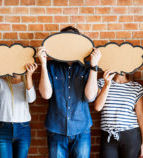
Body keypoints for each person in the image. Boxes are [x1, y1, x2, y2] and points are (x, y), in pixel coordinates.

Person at [37, 26, 101, 158]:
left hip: (81, 129)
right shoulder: (51, 66)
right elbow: (46, 94)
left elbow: (90, 96)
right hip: (56, 128)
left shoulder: (87, 67)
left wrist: (94, 66)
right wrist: (43, 64)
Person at [95, 70, 143, 158]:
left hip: (131, 136)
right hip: (108, 135)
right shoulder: (101, 82)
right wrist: (107, 84)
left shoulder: (136, 87)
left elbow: (140, 115)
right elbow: (97, 107)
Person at [0, 63, 37, 158]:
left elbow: (31, 99)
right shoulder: (0, 81)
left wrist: (29, 76)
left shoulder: (27, 81)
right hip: (3, 128)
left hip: (23, 128)